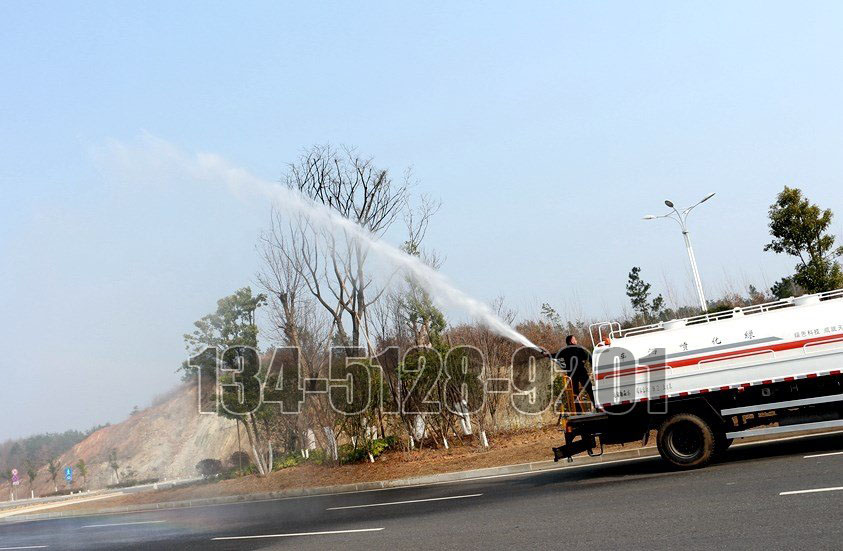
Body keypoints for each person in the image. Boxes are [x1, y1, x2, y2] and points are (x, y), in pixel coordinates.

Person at [554, 335, 594, 412]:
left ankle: (578, 411)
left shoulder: (564, 351)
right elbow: (588, 357)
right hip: (582, 372)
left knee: (575, 393)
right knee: (589, 389)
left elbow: (554, 355)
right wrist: (593, 365)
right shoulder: (578, 348)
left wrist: (546, 354)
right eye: (575, 339)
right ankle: (596, 406)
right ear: (571, 341)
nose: (576, 341)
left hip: (572, 375)